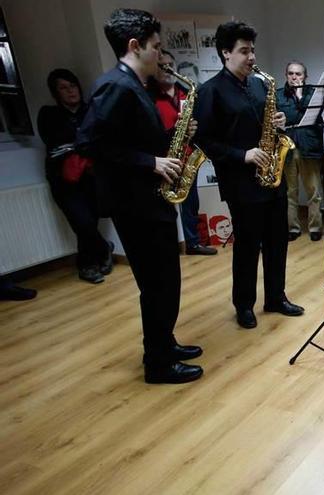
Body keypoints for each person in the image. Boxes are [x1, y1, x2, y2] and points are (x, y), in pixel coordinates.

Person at [76, 8, 203, 384]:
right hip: (136, 204)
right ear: (135, 46)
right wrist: (151, 162)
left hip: (148, 198)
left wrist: (172, 140)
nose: (161, 54)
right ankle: (158, 364)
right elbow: (89, 143)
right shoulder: (116, 85)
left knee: (166, 280)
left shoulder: (133, 85)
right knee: (158, 284)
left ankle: (164, 343)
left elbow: (129, 140)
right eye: (156, 46)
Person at [194, 21, 304, 329]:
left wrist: (279, 121)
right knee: (247, 245)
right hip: (241, 182)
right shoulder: (210, 91)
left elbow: (265, 123)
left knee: (277, 240)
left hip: (271, 176)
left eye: (252, 50)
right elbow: (204, 139)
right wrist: (242, 155)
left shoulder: (259, 84)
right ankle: (244, 304)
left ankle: (275, 297)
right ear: (225, 53)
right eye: (244, 51)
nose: (251, 57)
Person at [37, 68, 114, 284]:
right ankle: (95, 257)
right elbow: (56, 145)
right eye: (63, 88)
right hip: (64, 181)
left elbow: (101, 142)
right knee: (82, 222)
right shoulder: (48, 114)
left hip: (91, 178)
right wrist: (82, 144)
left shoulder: (92, 110)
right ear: (55, 93)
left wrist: (80, 145)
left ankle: (93, 259)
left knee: (89, 222)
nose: (71, 91)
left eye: (73, 86)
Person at [151, 50, 216, 256]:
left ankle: (192, 243)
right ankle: (167, 249)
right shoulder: (149, 97)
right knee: (164, 208)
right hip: (163, 158)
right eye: (163, 65)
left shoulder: (186, 93)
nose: (168, 69)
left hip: (187, 155)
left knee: (191, 202)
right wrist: (174, 131)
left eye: (171, 64)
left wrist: (195, 128)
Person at [277, 60, 324, 242]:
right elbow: (281, 121)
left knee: (313, 192)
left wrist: (299, 94)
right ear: (286, 75)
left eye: (298, 74)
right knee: (290, 192)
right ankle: (293, 228)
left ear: (305, 77)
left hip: (309, 148)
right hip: (287, 150)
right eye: (291, 74)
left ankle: (315, 227)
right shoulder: (278, 96)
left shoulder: (315, 95)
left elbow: (317, 120)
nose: (294, 77)